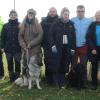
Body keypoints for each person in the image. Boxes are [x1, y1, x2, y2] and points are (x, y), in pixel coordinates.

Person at [48, 7, 76, 88]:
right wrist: (52, 45)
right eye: (65, 14)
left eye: (67, 14)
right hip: (57, 48)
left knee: (64, 64)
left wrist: (73, 48)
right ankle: (56, 82)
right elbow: (50, 35)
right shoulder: (56, 23)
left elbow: (74, 37)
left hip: (67, 48)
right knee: (57, 64)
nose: (66, 16)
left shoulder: (71, 24)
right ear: (61, 14)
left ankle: (62, 82)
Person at [19, 9, 43, 77]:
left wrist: (31, 44)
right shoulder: (23, 24)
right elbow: (20, 36)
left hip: (35, 49)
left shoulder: (38, 24)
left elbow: (40, 36)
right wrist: (23, 45)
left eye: (32, 13)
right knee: (25, 64)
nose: (30, 14)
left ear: (34, 15)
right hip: (25, 49)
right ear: (27, 14)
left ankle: (37, 79)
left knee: (35, 64)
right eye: (29, 13)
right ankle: (25, 79)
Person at [71, 5, 92, 84]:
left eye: (82, 11)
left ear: (84, 12)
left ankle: (83, 81)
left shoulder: (89, 21)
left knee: (83, 64)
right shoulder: (72, 20)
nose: (80, 13)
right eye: (79, 11)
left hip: (84, 46)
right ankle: (72, 81)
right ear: (76, 12)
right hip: (74, 46)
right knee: (73, 64)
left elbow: (92, 33)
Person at [1, 10, 21, 82]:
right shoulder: (5, 26)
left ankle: (18, 78)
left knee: (18, 63)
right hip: (8, 49)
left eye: (14, 14)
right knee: (9, 63)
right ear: (9, 15)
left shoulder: (20, 25)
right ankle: (11, 78)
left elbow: (22, 36)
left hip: (18, 48)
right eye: (12, 14)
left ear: (17, 16)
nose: (13, 15)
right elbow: (2, 37)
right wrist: (2, 47)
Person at [41, 7, 58, 85]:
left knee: (55, 62)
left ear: (56, 12)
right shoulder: (44, 21)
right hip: (46, 45)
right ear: (48, 12)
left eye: (54, 11)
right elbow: (40, 33)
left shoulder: (59, 20)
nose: (52, 13)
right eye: (51, 11)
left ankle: (55, 78)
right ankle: (48, 78)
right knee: (47, 62)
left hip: (56, 46)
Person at [87, 10, 100, 90]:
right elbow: (88, 37)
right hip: (95, 49)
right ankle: (94, 84)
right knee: (94, 67)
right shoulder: (92, 25)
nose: (99, 16)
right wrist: (92, 48)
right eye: (97, 15)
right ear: (95, 16)